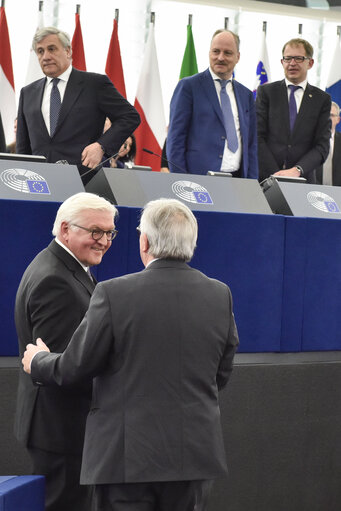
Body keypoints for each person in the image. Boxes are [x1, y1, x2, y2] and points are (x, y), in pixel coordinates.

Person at [22, 198, 239, 511]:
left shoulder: (114, 293)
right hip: (193, 457)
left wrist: (39, 361)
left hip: (126, 460)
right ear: (191, 242)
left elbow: (76, 366)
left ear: (145, 241)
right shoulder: (220, 294)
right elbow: (222, 371)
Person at [15, 192, 118, 511]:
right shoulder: (55, 280)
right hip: (62, 432)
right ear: (64, 230)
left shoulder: (64, 266)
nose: (104, 241)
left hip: (60, 428)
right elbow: (64, 369)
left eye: (110, 232)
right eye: (95, 231)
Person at [16, 27, 140, 184]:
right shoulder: (27, 93)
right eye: (40, 51)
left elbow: (130, 116)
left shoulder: (95, 84)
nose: (46, 56)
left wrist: (101, 146)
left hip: (83, 181)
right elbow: (23, 146)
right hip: (38, 182)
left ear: (68, 51)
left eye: (52, 49)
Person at [166, 29, 258, 178]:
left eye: (227, 53)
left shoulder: (246, 95)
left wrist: (252, 183)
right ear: (209, 53)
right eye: (216, 51)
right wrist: (181, 180)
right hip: (198, 179)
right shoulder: (189, 87)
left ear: (238, 57)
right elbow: (175, 140)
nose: (220, 57)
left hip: (238, 180)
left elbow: (251, 145)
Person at [256, 37, 331, 183]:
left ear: (310, 63)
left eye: (298, 58)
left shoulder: (321, 99)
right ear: (282, 62)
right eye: (288, 58)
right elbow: (257, 137)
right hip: (266, 179)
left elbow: (322, 146)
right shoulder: (266, 92)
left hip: (303, 180)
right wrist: (277, 174)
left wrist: (297, 170)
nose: (292, 63)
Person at [316, 101, 341, 186]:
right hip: (314, 190)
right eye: (325, 115)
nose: (328, 118)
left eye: (331, 115)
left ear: (338, 119)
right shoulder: (311, 140)